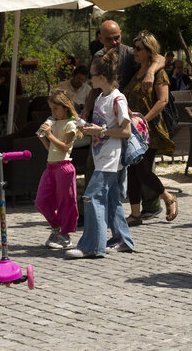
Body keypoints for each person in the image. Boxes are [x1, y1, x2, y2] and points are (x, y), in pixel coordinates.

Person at [66, 51, 136, 258]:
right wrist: (87, 127)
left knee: (91, 197)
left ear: (102, 77)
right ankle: (122, 240)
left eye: (92, 74)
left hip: (111, 158)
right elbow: (100, 127)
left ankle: (91, 246)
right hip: (101, 157)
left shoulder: (118, 99)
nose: (90, 77)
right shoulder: (100, 98)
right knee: (112, 200)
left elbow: (126, 131)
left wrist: (101, 131)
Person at [124, 30, 178, 225]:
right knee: (132, 171)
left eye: (138, 48)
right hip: (132, 130)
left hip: (149, 130)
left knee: (143, 170)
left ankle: (168, 197)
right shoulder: (136, 71)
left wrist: (143, 121)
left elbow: (162, 101)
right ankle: (135, 214)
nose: (134, 51)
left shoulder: (159, 74)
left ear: (149, 51)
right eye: (134, 47)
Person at [35, 88, 83, 249]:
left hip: (64, 167)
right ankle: (56, 227)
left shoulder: (70, 124)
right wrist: (43, 139)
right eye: (51, 109)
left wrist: (49, 135)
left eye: (55, 108)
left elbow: (64, 147)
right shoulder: (54, 123)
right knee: (41, 201)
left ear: (65, 107)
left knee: (66, 203)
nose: (53, 112)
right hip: (51, 166)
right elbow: (52, 149)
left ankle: (65, 234)